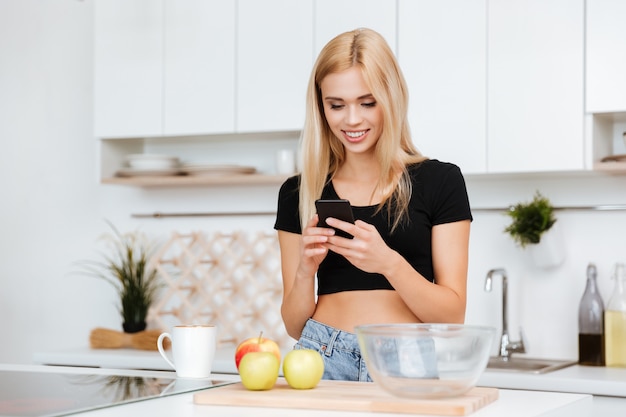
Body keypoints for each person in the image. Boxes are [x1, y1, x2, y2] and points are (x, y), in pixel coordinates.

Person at [273, 28, 472, 382]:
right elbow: (293, 325)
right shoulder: (298, 192)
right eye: (336, 105)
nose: (351, 120)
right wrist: (306, 269)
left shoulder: (440, 181)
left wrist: (388, 263)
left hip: (406, 360)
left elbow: (452, 316)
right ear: (321, 106)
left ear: (391, 98)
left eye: (367, 103)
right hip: (321, 355)